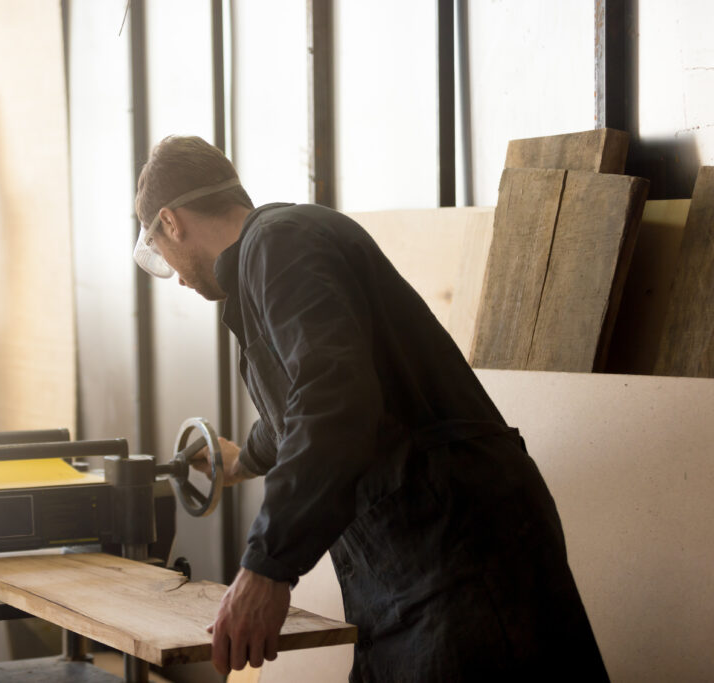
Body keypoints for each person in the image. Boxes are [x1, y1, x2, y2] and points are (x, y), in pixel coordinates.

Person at [133, 135, 608, 682]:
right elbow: (309, 396)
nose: (175, 277)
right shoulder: (278, 250)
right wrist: (242, 460)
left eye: (159, 254)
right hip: (419, 561)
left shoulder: (277, 245)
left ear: (170, 222)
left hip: (454, 556)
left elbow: (331, 399)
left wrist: (267, 566)